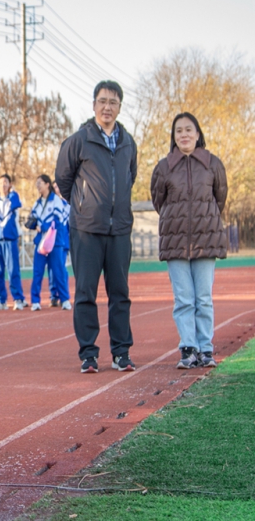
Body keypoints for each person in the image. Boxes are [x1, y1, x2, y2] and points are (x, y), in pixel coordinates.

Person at [55, 80, 138, 374]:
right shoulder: (79, 140)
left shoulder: (128, 142)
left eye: (113, 102)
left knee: (120, 293)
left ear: (119, 107)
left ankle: (121, 353)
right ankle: (88, 354)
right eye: (102, 101)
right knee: (85, 293)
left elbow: (131, 177)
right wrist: (84, 206)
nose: (107, 107)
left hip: (119, 230)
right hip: (86, 230)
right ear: (93, 105)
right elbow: (63, 180)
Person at [151, 112, 227, 369]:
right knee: (183, 299)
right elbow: (158, 201)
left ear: (198, 134)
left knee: (203, 298)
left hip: (206, 240)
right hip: (176, 242)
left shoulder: (212, 163)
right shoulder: (164, 167)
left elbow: (220, 198)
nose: (184, 134)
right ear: (173, 137)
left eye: (188, 130)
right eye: (178, 131)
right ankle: (188, 348)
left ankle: (206, 348)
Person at [27, 174, 71, 311]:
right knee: (38, 272)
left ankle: (64, 300)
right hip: (40, 243)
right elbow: (31, 219)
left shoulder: (56, 200)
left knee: (58, 271)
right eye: (37, 183)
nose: (38, 186)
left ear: (47, 184)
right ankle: (35, 301)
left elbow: (58, 220)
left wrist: (44, 226)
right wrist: (34, 225)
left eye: (40, 183)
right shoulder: (37, 203)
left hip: (55, 242)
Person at [0, 174, 26, 310]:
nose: (3, 185)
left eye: (6, 183)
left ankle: (18, 299)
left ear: (9, 185)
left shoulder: (13, 198)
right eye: (1, 182)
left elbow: (16, 204)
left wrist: (12, 191)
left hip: (10, 240)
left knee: (13, 270)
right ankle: (1, 300)